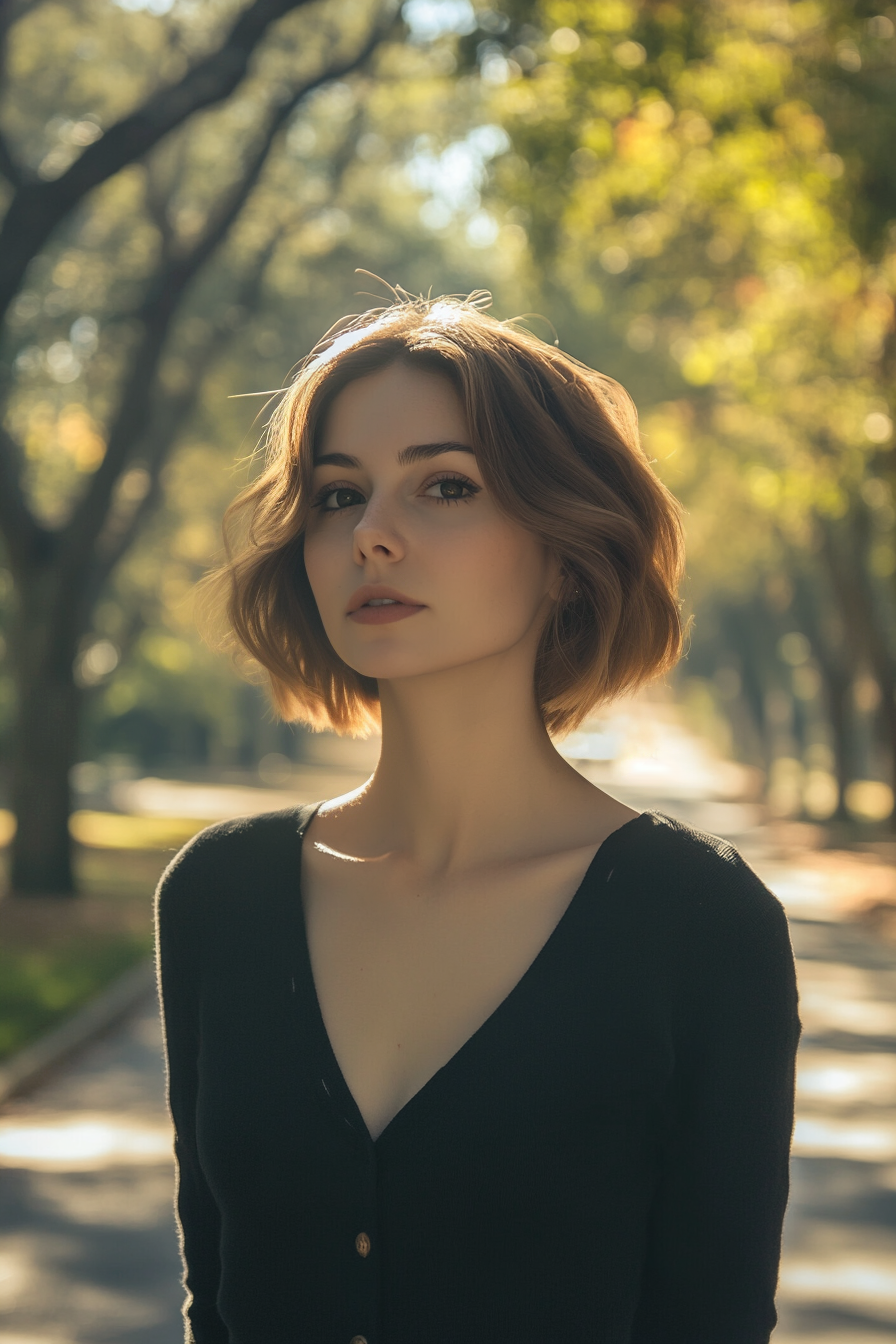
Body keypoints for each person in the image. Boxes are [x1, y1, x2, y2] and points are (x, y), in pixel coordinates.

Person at [155, 292, 801, 1344]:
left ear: (562, 549)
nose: (372, 535)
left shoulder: (698, 926)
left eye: (444, 486)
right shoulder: (217, 899)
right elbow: (216, 1303)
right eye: (336, 496)